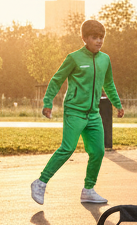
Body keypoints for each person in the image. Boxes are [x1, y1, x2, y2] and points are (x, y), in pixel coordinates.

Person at [30, 19, 124, 206]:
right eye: (94, 37)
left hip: (93, 113)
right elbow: (57, 80)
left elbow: (108, 83)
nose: (99, 41)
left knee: (98, 151)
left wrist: (117, 104)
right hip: (74, 111)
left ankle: (88, 190)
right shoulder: (74, 58)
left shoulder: (105, 59)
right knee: (67, 148)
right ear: (84, 38)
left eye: (101, 37)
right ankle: (40, 183)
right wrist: (48, 102)